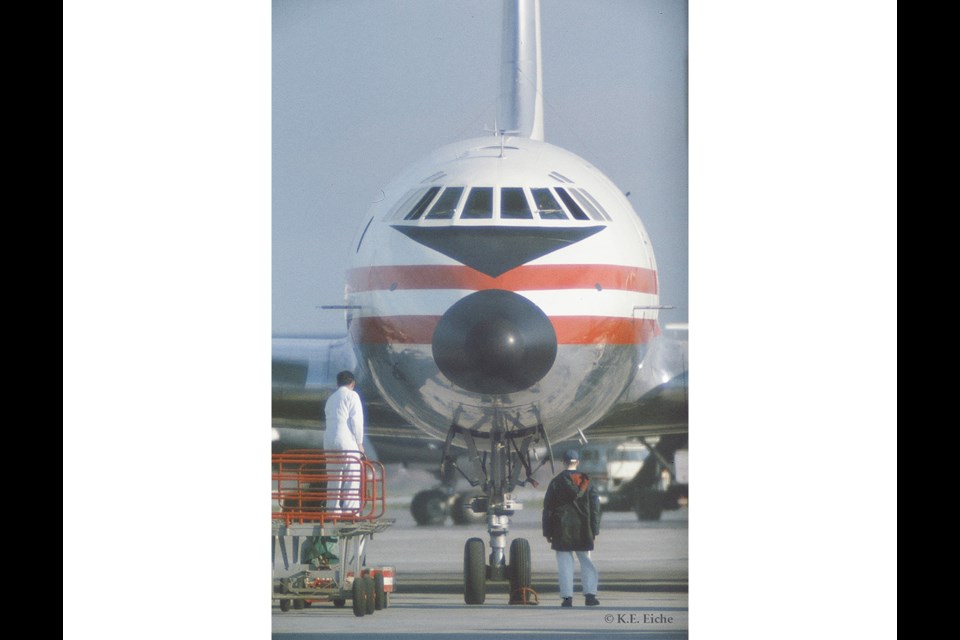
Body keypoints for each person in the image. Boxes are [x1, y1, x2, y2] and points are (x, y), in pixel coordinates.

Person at [542, 449, 601, 607]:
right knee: (586, 561)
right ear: (578, 462)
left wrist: (547, 531)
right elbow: (595, 507)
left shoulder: (556, 482)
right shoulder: (587, 482)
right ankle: (590, 596)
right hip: (583, 529)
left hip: (562, 530)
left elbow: (548, 508)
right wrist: (594, 529)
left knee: (565, 564)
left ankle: (567, 598)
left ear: (564, 462)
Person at [323, 370, 365, 513]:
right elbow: (356, 421)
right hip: (345, 439)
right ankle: (350, 510)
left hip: (328, 440)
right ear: (352, 383)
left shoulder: (331, 398)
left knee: (334, 477)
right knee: (352, 473)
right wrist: (359, 443)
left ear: (337, 383)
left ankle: (332, 510)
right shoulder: (352, 395)